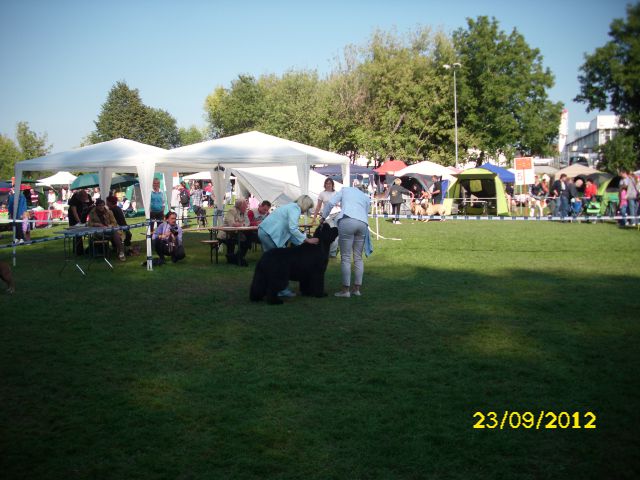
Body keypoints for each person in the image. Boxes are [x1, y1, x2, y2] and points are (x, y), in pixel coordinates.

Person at [258, 195, 319, 297]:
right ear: (305, 205)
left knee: (272, 264)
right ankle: (281, 290)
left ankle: (267, 287)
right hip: (269, 234)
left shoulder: (291, 207)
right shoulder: (295, 209)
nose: (306, 210)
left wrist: (304, 242)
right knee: (279, 264)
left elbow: (291, 233)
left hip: (265, 232)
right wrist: (307, 240)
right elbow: (293, 229)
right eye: (308, 208)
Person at [320, 186, 372, 298]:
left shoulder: (344, 190)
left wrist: (323, 217)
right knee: (358, 257)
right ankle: (357, 289)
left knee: (346, 257)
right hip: (362, 223)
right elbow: (366, 212)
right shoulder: (365, 197)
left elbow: (330, 203)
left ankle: (345, 290)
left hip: (347, 220)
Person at [219, 198, 254, 266]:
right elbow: (232, 224)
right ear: (240, 206)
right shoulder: (232, 211)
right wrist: (241, 224)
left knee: (249, 237)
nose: (246, 207)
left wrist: (240, 224)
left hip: (237, 234)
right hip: (226, 235)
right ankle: (236, 258)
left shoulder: (244, 212)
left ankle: (236, 258)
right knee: (245, 241)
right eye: (245, 205)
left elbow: (247, 223)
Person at [312, 177, 340, 257]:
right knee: (330, 233)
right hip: (327, 216)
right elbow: (318, 206)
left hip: (337, 213)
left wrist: (339, 204)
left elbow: (341, 203)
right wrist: (314, 217)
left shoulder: (336, 193)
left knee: (337, 233)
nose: (328, 185)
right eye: (327, 183)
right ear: (325, 185)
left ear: (332, 185)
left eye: (330, 183)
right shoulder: (322, 194)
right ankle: (330, 252)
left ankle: (332, 253)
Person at [67, 189, 93, 255]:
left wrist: (91, 219)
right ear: (80, 198)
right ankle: (78, 251)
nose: (84, 201)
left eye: (85, 199)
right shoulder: (74, 198)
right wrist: (79, 222)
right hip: (74, 218)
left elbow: (90, 207)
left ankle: (89, 249)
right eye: (83, 199)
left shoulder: (88, 197)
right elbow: (74, 211)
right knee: (77, 234)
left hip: (83, 215)